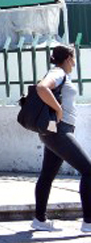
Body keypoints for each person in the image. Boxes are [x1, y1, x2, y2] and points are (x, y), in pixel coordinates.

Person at [32, 44, 91, 232]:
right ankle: (88, 222)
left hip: (54, 132)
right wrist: (58, 109)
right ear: (67, 58)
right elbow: (42, 88)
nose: (74, 63)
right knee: (88, 171)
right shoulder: (58, 73)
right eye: (73, 58)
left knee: (47, 175)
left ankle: (39, 220)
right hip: (59, 132)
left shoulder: (60, 74)